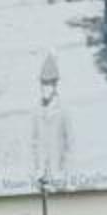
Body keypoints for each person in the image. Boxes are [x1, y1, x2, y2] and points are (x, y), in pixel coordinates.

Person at [30, 51, 73, 199]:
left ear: (55, 86)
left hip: (59, 175)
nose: (44, 88)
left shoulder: (63, 110)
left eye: (48, 84)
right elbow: (33, 141)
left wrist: (65, 172)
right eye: (42, 84)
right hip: (42, 176)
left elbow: (70, 144)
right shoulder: (36, 111)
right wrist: (37, 170)